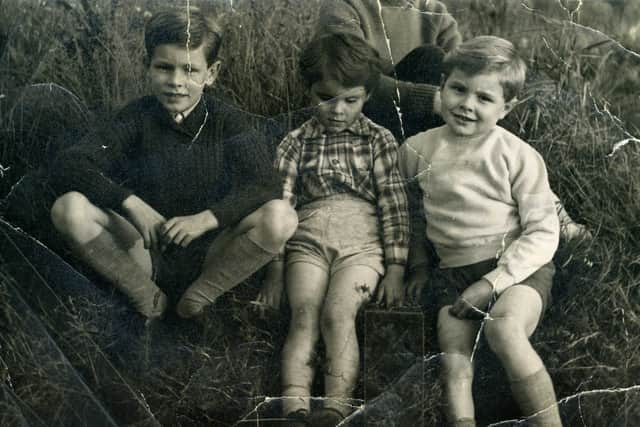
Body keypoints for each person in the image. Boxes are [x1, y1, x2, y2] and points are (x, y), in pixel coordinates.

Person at [48, 7, 298, 323]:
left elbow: (266, 184)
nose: (176, 82)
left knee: (281, 217)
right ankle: (147, 298)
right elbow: (70, 164)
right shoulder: (137, 116)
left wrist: (208, 219)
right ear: (147, 66)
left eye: (190, 70)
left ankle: (196, 301)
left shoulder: (227, 120)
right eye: (164, 67)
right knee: (69, 208)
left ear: (212, 73)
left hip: (210, 252)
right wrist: (130, 203)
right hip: (145, 248)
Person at [399, 36, 563, 426]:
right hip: (452, 275)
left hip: (515, 271)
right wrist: (420, 268)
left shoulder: (517, 154)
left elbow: (543, 230)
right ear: (441, 88)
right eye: (458, 89)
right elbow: (411, 214)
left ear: (506, 108)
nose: (467, 105)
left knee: (504, 330)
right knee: (454, 366)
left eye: (484, 98)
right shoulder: (416, 150)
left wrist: (492, 282)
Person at [270, 32, 409, 426]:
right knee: (304, 315)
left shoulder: (378, 140)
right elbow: (282, 205)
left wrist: (396, 268)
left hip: (362, 248)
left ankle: (335, 408)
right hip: (308, 243)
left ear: (366, 96)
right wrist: (275, 270)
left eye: (351, 100)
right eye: (326, 97)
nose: (337, 109)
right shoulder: (295, 143)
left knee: (337, 314)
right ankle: (294, 408)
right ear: (309, 91)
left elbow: (394, 205)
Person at [316, 0, 462, 140]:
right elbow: (349, 82)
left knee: (447, 67)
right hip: (361, 119)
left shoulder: (436, 13)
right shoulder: (343, 7)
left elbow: (464, 76)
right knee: (429, 58)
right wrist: (430, 99)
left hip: (424, 128)